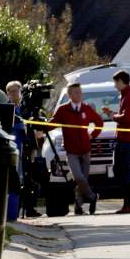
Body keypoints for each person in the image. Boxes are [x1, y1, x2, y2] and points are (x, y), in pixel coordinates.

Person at [49, 83, 103, 215]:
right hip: (71, 151)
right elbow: (53, 122)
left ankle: (78, 207)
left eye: (80, 92)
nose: (78, 95)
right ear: (69, 94)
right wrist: (41, 127)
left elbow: (99, 123)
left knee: (82, 179)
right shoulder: (63, 109)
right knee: (78, 177)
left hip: (85, 149)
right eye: (75, 92)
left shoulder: (86, 109)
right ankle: (92, 196)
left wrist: (92, 134)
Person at [102, 70, 130, 215]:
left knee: (126, 172)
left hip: (128, 140)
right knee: (120, 171)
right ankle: (129, 202)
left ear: (121, 81)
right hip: (123, 139)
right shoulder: (126, 96)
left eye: (115, 82)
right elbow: (125, 116)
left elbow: (127, 118)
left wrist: (113, 116)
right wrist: (114, 114)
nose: (114, 85)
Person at [5, 81, 42, 218]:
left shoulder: (25, 108)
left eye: (17, 91)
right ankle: (14, 209)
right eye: (12, 91)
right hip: (12, 147)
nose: (15, 94)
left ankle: (29, 207)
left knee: (28, 178)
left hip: (25, 148)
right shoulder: (7, 108)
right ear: (7, 93)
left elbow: (31, 129)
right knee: (15, 179)